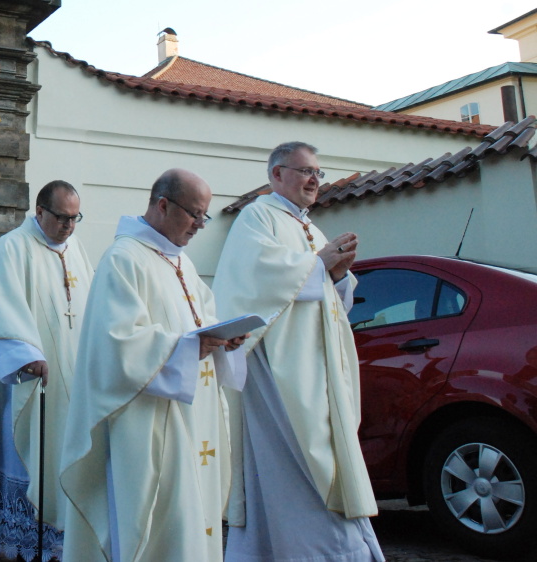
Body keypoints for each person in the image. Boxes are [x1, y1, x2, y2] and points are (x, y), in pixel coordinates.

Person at [60, 169, 246, 561]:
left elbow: (202, 322)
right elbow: (117, 344)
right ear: (163, 205)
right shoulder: (124, 259)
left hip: (193, 416)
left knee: (192, 524)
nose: (199, 225)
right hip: (147, 424)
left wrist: (224, 339)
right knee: (161, 527)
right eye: (194, 214)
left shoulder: (182, 263)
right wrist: (187, 348)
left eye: (204, 216)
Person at [212, 141, 384, 561]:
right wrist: (318, 265)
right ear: (276, 175)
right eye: (305, 171)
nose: (313, 180)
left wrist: (339, 277)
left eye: (318, 173)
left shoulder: (310, 227)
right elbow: (253, 281)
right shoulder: (257, 218)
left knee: (327, 456)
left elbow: (329, 304)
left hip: (315, 370)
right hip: (277, 371)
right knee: (295, 465)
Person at [0, 180, 94, 560]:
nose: (69, 226)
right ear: (39, 212)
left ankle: (60, 543)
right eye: (61, 217)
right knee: (30, 450)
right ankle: (22, 545)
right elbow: (0, 309)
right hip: (28, 382)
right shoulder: (13, 247)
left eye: (75, 218)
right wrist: (26, 354)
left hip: (71, 378)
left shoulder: (77, 251)